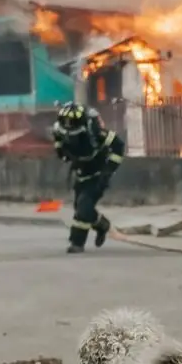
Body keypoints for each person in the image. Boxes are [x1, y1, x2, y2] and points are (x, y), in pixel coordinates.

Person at [51, 102, 125, 254]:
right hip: (81, 173)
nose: (68, 126)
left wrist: (108, 170)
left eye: (71, 123)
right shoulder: (59, 129)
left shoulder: (95, 131)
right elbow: (58, 141)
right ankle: (102, 225)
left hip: (98, 173)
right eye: (65, 122)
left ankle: (77, 243)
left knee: (84, 206)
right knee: (81, 208)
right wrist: (61, 152)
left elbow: (118, 145)